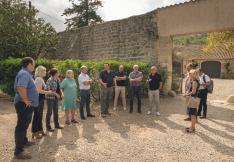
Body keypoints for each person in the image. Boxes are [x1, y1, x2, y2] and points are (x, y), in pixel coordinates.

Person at [14, 57, 38, 159]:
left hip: (26, 104)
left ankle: (23, 141)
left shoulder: (26, 73)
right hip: (24, 104)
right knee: (21, 126)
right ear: (29, 64)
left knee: (25, 124)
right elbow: (20, 87)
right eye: (33, 64)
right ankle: (18, 151)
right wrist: (25, 99)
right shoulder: (24, 74)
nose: (34, 66)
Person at [32, 66, 54, 139]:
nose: (45, 72)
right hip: (38, 99)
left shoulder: (40, 79)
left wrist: (48, 90)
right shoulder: (39, 79)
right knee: (37, 116)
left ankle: (40, 130)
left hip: (40, 99)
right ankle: (35, 132)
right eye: (44, 71)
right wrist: (48, 92)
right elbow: (39, 90)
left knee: (39, 115)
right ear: (40, 72)